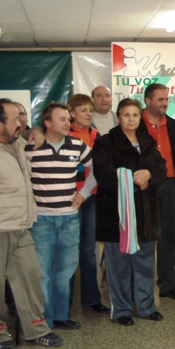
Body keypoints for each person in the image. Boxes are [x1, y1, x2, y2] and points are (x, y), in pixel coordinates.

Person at [0, 99, 63, 349]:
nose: (20, 123)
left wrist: (36, 131)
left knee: (30, 275)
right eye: (15, 119)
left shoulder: (16, 144)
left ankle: (36, 329)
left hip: (19, 226)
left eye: (21, 118)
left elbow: (29, 131)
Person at [93, 98, 166, 326]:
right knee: (120, 265)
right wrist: (135, 180)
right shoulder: (106, 142)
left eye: (135, 115)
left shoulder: (147, 141)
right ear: (119, 117)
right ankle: (122, 309)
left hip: (145, 214)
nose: (131, 119)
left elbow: (160, 167)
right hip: (118, 215)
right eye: (126, 115)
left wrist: (150, 175)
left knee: (145, 262)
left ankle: (146, 306)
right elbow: (104, 174)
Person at [25, 103, 93, 330]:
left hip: (69, 219)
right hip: (41, 220)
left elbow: (97, 169)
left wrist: (83, 194)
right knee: (42, 273)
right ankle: (44, 321)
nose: (67, 123)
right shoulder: (31, 146)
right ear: (47, 123)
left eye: (67, 119)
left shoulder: (77, 145)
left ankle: (60, 316)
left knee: (64, 271)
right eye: (62, 119)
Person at [138, 83, 175, 302]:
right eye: (160, 99)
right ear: (148, 101)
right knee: (144, 238)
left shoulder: (172, 125)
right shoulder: (136, 123)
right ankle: (142, 288)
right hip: (143, 186)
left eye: (166, 99)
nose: (165, 103)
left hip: (169, 185)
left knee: (170, 237)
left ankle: (168, 285)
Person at [67, 94, 109, 314]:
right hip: (67, 200)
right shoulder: (64, 134)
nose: (88, 114)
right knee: (67, 251)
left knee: (88, 250)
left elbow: (99, 165)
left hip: (90, 196)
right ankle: (65, 302)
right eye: (83, 110)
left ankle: (91, 298)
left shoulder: (95, 134)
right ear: (72, 113)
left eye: (90, 110)